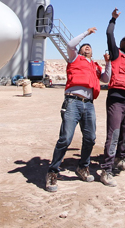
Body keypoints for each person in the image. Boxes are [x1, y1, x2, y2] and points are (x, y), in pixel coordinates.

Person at [45, 27, 111, 193]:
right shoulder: (74, 58)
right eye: (84, 46)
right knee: (65, 138)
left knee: (90, 138)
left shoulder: (96, 66)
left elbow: (106, 79)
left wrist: (108, 62)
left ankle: (83, 167)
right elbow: (70, 44)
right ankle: (53, 172)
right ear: (80, 50)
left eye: (89, 47)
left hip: (88, 104)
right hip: (73, 102)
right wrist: (86, 34)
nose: (87, 47)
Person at [99, 8, 125, 186]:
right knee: (113, 134)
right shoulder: (116, 54)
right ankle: (106, 169)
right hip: (115, 98)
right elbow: (109, 34)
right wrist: (113, 19)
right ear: (121, 45)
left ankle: (119, 159)